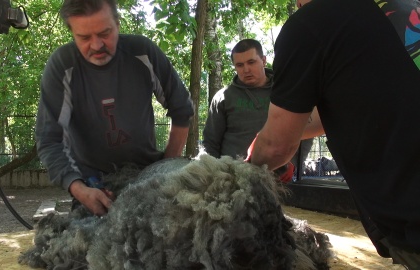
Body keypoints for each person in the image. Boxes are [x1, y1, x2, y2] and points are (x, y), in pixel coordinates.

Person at [247, 0, 420, 268]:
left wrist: (242, 173)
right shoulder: (384, 11)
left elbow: (276, 146)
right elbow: (346, 106)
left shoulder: (309, 25)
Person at [35, 0, 194, 216]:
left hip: (148, 178)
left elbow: (182, 109)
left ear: (118, 24)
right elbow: (49, 140)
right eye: (84, 38)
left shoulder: (143, 52)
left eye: (105, 33)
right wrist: (81, 190)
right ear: (72, 33)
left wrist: (164, 170)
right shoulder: (62, 66)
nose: (97, 45)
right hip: (92, 186)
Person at [202, 39, 313, 180]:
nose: (246, 69)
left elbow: (306, 131)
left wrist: (293, 164)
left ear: (263, 60)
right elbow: (210, 143)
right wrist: (213, 176)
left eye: (251, 62)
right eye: (240, 65)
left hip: (278, 178)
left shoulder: (286, 92)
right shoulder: (223, 97)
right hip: (232, 178)